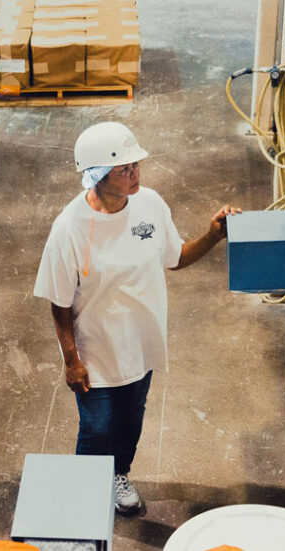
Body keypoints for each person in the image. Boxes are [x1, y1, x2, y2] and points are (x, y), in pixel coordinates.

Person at [33, 122, 240, 514]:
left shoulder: (150, 205)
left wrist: (213, 236)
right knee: (96, 430)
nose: (135, 174)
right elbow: (59, 303)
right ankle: (84, 498)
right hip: (96, 354)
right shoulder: (69, 229)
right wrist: (71, 361)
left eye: (135, 166)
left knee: (130, 424)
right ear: (96, 175)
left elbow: (175, 258)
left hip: (141, 346)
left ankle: (117, 475)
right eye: (124, 169)